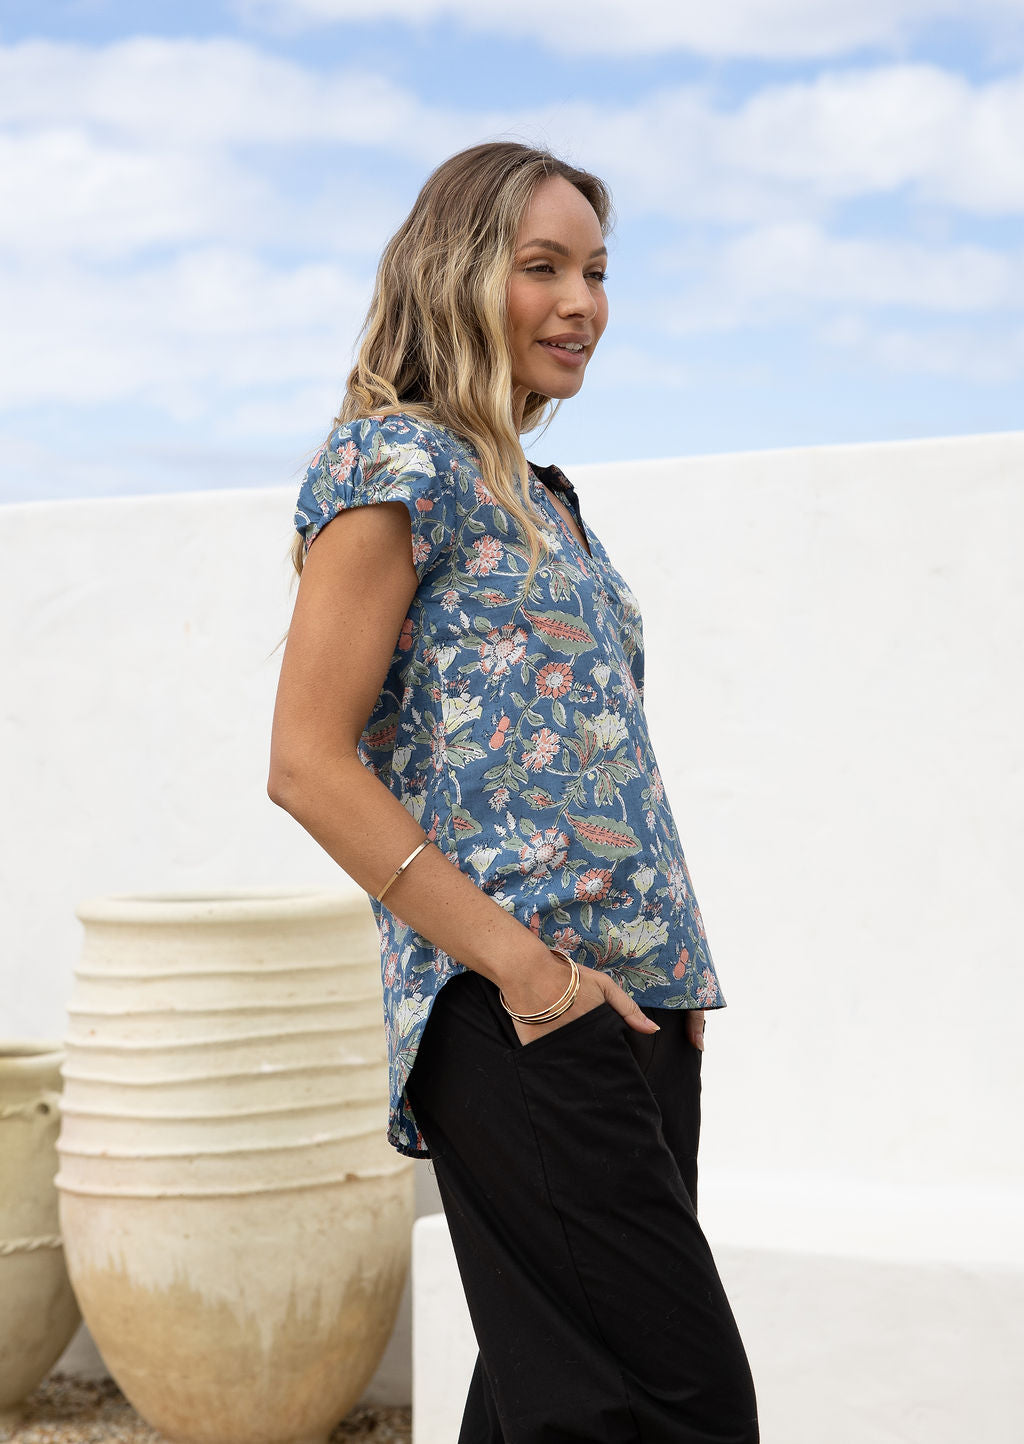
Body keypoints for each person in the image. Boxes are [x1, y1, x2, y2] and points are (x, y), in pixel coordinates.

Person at [268, 140, 759, 1444]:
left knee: (553, 1396)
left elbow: (601, 759)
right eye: (541, 265)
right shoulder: (395, 466)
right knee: (679, 1405)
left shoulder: (546, 498)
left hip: (632, 1014)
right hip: (514, 1003)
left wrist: (667, 975)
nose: (581, 300)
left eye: (595, 270)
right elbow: (308, 763)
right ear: (455, 270)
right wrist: (530, 978)